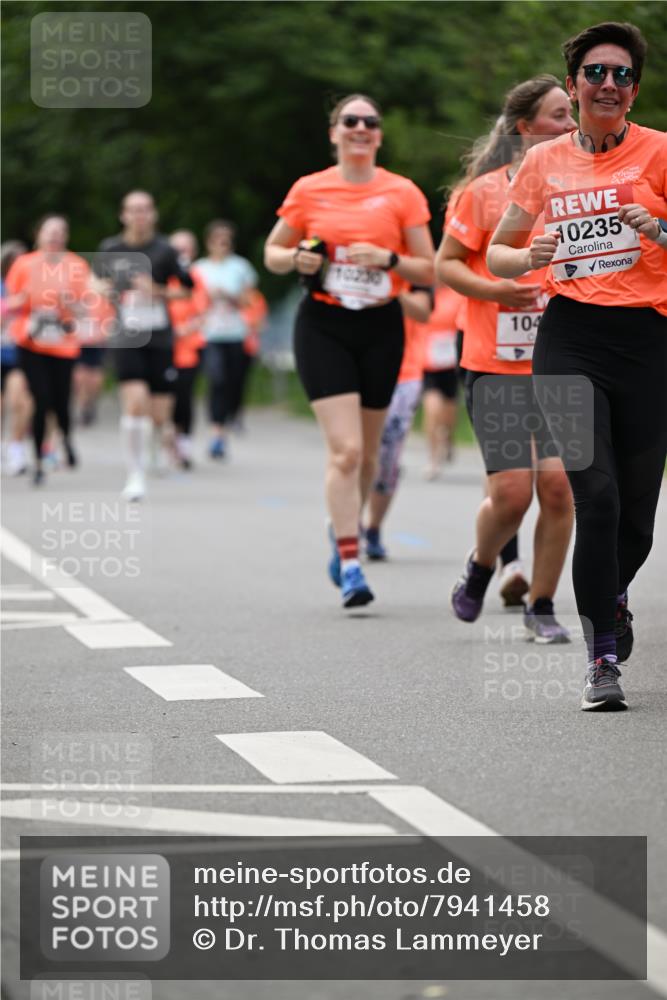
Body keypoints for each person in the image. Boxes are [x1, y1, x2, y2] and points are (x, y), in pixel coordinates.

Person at [487, 22, 667, 710]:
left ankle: (611, 596)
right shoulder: (543, 163)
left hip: (647, 343)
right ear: (573, 85)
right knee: (593, 496)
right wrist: (527, 257)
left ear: (634, 90)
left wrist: (657, 230)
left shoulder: (657, 152)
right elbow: (499, 254)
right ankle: (600, 660)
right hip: (568, 341)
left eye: (621, 75)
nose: (608, 85)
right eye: (595, 73)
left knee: (636, 519)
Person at [265, 93, 434, 607]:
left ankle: (344, 530)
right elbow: (272, 254)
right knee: (347, 451)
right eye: (350, 121)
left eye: (370, 122)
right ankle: (352, 560)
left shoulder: (401, 192)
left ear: (379, 135)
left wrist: (388, 258)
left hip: (381, 325)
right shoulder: (309, 189)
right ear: (333, 132)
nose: (360, 128)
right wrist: (297, 257)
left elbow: (429, 269)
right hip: (324, 324)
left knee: (368, 458)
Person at [437, 75, 577, 641]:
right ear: (526, 128)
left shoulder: (580, 186)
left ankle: (541, 606)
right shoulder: (484, 192)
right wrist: (498, 291)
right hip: (496, 363)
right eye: (558, 114)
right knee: (512, 494)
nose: (570, 124)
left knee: (561, 487)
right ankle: (480, 564)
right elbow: (447, 264)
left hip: (565, 359)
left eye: (572, 115)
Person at [97, 190, 194, 500]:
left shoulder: (165, 251)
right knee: (135, 402)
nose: (139, 215)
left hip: (160, 337)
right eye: (133, 210)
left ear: (153, 214)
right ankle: (135, 474)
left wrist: (157, 291)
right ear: (123, 215)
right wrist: (106, 289)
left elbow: (187, 291)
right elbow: (93, 282)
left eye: (145, 210)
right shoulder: (111, 248)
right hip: (127, 336)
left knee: (159, 412)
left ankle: (153, 446)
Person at [5, 216, 88, 485]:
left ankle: (66, 437)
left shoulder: (76, 265)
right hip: (31, 341)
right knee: (40, 400)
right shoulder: (24, 264)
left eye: (60, 232)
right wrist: (23, 301)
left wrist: (69, 303)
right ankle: (39, 461)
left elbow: (85, 307)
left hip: (63, 343)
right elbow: (10, 304)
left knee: (60, 402)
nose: (55, 237)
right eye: (49, 232)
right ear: (38, 235)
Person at [364, 285, 433, 561]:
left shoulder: (412, 265)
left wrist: (387, 285)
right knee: (357, 453)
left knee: (388, 458)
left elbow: (424, 311)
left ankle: (373, 528)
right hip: (360, 371)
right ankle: (349, 522)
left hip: (404, 374)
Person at [195, 220, 258, 459]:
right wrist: (208, 297)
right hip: (209, 333)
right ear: (209, 241)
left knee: (234, 382)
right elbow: (191, 302)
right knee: (217, 380)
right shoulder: (199, 268)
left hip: (235, 332)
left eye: (226, 238)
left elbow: (249, 301)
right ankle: (217, 435)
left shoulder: (241, 267)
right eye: (217, 238)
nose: (222, 242)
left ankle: (232, 415)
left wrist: (230, 296)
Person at [168, 230, 210, 469]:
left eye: (185, 249)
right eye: (176, 249)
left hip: (188, 347)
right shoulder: (162, 275)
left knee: (184, 396)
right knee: (162, 397)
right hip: (161, 346)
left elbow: (202, 312)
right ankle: (164, 440)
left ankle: (183, 443)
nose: (181, 254)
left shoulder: (195, 277)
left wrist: (183, 330)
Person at [421, 285, 463, 479]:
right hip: (428, 360)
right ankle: (433, 457)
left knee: (448, 412)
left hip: (451, 360)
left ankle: (448, 440)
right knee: (432, 408)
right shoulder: (423, 293)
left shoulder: (456, 294)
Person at [1, 240, 32, 476]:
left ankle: (16, 447)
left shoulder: (35, 287)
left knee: (19, 402)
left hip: (21, 354)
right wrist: (11, 307)